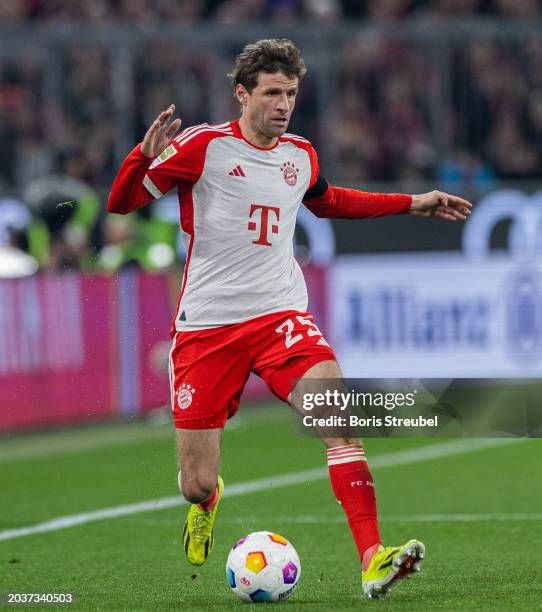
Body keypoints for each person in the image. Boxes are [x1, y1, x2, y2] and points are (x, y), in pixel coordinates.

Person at [108, 39, 471, 599]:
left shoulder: (299, 154)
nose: (283, 104)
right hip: (207, 328)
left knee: (338, 418)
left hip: (280, 316)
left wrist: (411, 202)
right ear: (242, 94)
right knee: (194, 481)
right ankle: (206, 500)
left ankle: (373, 557)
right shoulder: (202, 147)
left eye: (292, 94)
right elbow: (121, 203)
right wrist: (140, 155)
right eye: (273, 93)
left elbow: (329, 201)